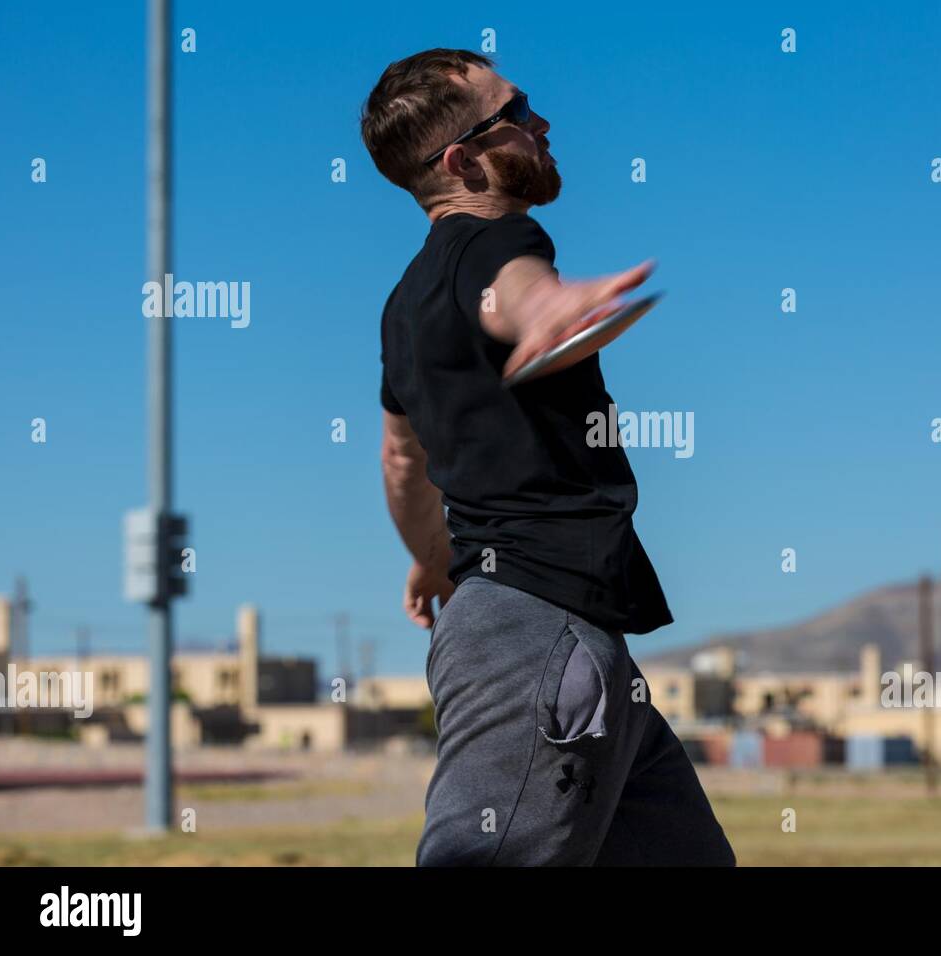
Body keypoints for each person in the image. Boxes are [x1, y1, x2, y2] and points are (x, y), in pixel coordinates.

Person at [360, 48, 735, 866]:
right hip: (533, 634)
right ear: (461, 161)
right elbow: (515, 290)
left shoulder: (403, 307)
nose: (543, 123)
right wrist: (551, 307)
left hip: (570, 639)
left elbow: (400, 458)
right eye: (517, 113)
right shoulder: (498, 242)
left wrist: (431, 561)